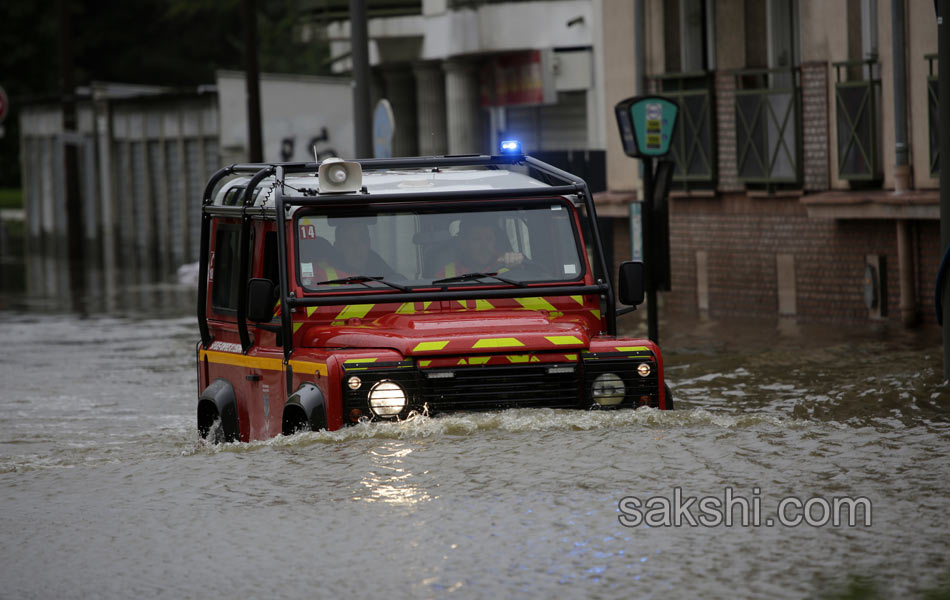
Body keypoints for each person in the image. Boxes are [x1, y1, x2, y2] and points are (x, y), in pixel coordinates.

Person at [437, 217, 524, 278]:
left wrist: (520, 264)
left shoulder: (510, 263)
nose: (484, 246)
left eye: (489, 239)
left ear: (495, 242)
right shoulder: (446, 274)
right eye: (477, 239)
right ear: (464, 244)